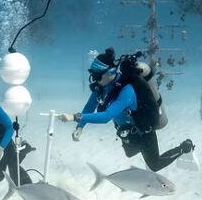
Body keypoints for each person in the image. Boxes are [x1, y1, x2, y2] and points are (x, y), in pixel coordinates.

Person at [60, 48, 193, 172]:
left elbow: (106, 116)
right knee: (130, 153)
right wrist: (80, 127)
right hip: (126, 130)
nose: (95, 80)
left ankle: (184, 148)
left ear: (111, 72)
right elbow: (90, 107)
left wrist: (75, 117)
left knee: (154, 165)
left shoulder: (127, 91)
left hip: (143, 130)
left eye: (97, 77)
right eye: (93, 76)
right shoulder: (101, 87)